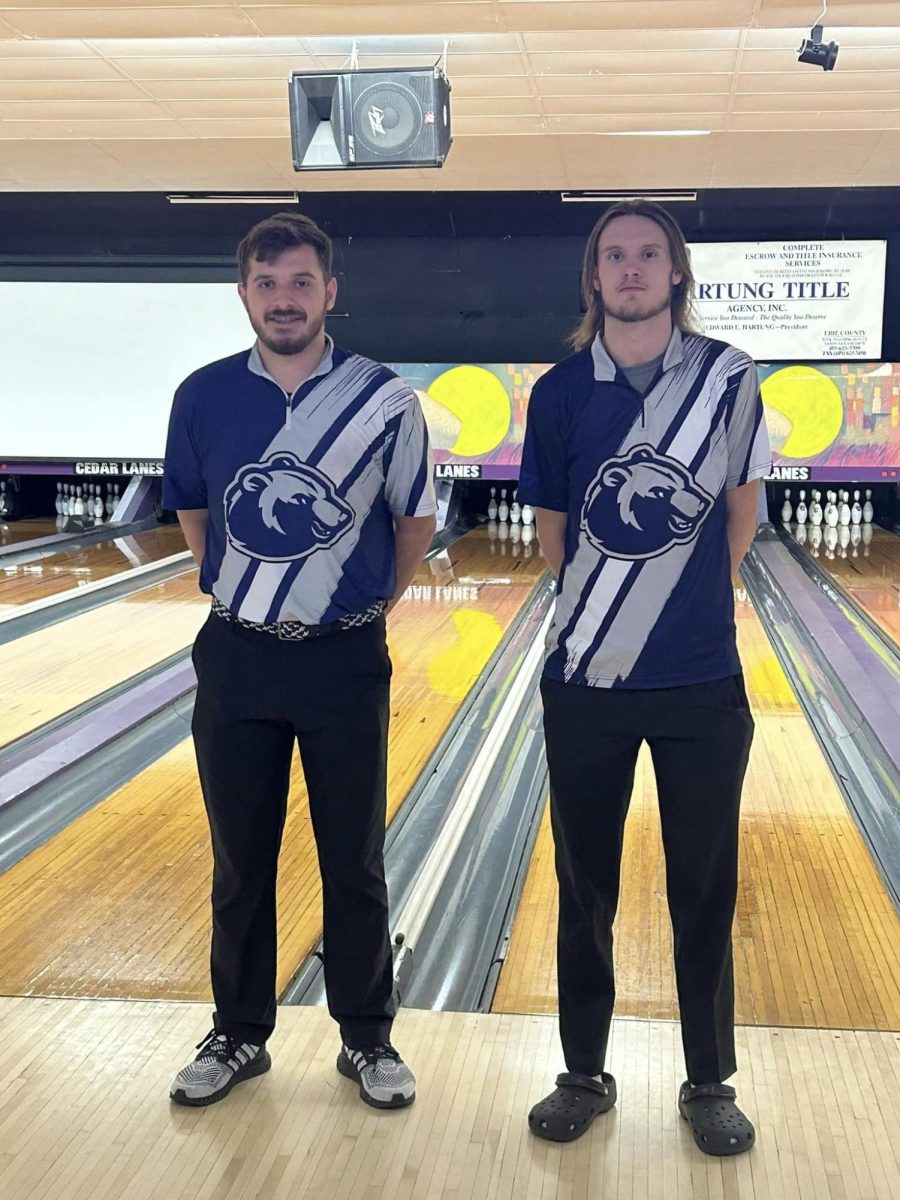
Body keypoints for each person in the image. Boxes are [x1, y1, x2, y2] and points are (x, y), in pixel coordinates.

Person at [163, 212, 437, 1110]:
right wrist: (249, 595)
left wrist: (363, 609)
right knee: (240, 857)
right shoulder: (202, 394)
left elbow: (415, 523)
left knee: (352, 858)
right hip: (238, 657)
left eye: (300, 283)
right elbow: (197, 519)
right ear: (245, 293)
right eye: (267, 283)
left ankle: (368, 1038)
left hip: (343, 660)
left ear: (330, 293)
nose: (284, 299)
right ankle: (239, 1034)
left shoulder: (384, 398)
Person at [517, 199, 770, 1155]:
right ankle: (584, 1070)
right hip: (587, 680)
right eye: (613, 255)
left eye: (647, 255)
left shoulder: (727, 380)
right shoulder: (559, 392)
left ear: (676, 273)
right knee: (586, 887)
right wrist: (617, 616)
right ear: (594, 276)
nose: (630, 269)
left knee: (703, 883)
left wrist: (679, 602)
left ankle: (709, 1081)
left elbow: (738, 514)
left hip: (702, 681)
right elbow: (552, 539)